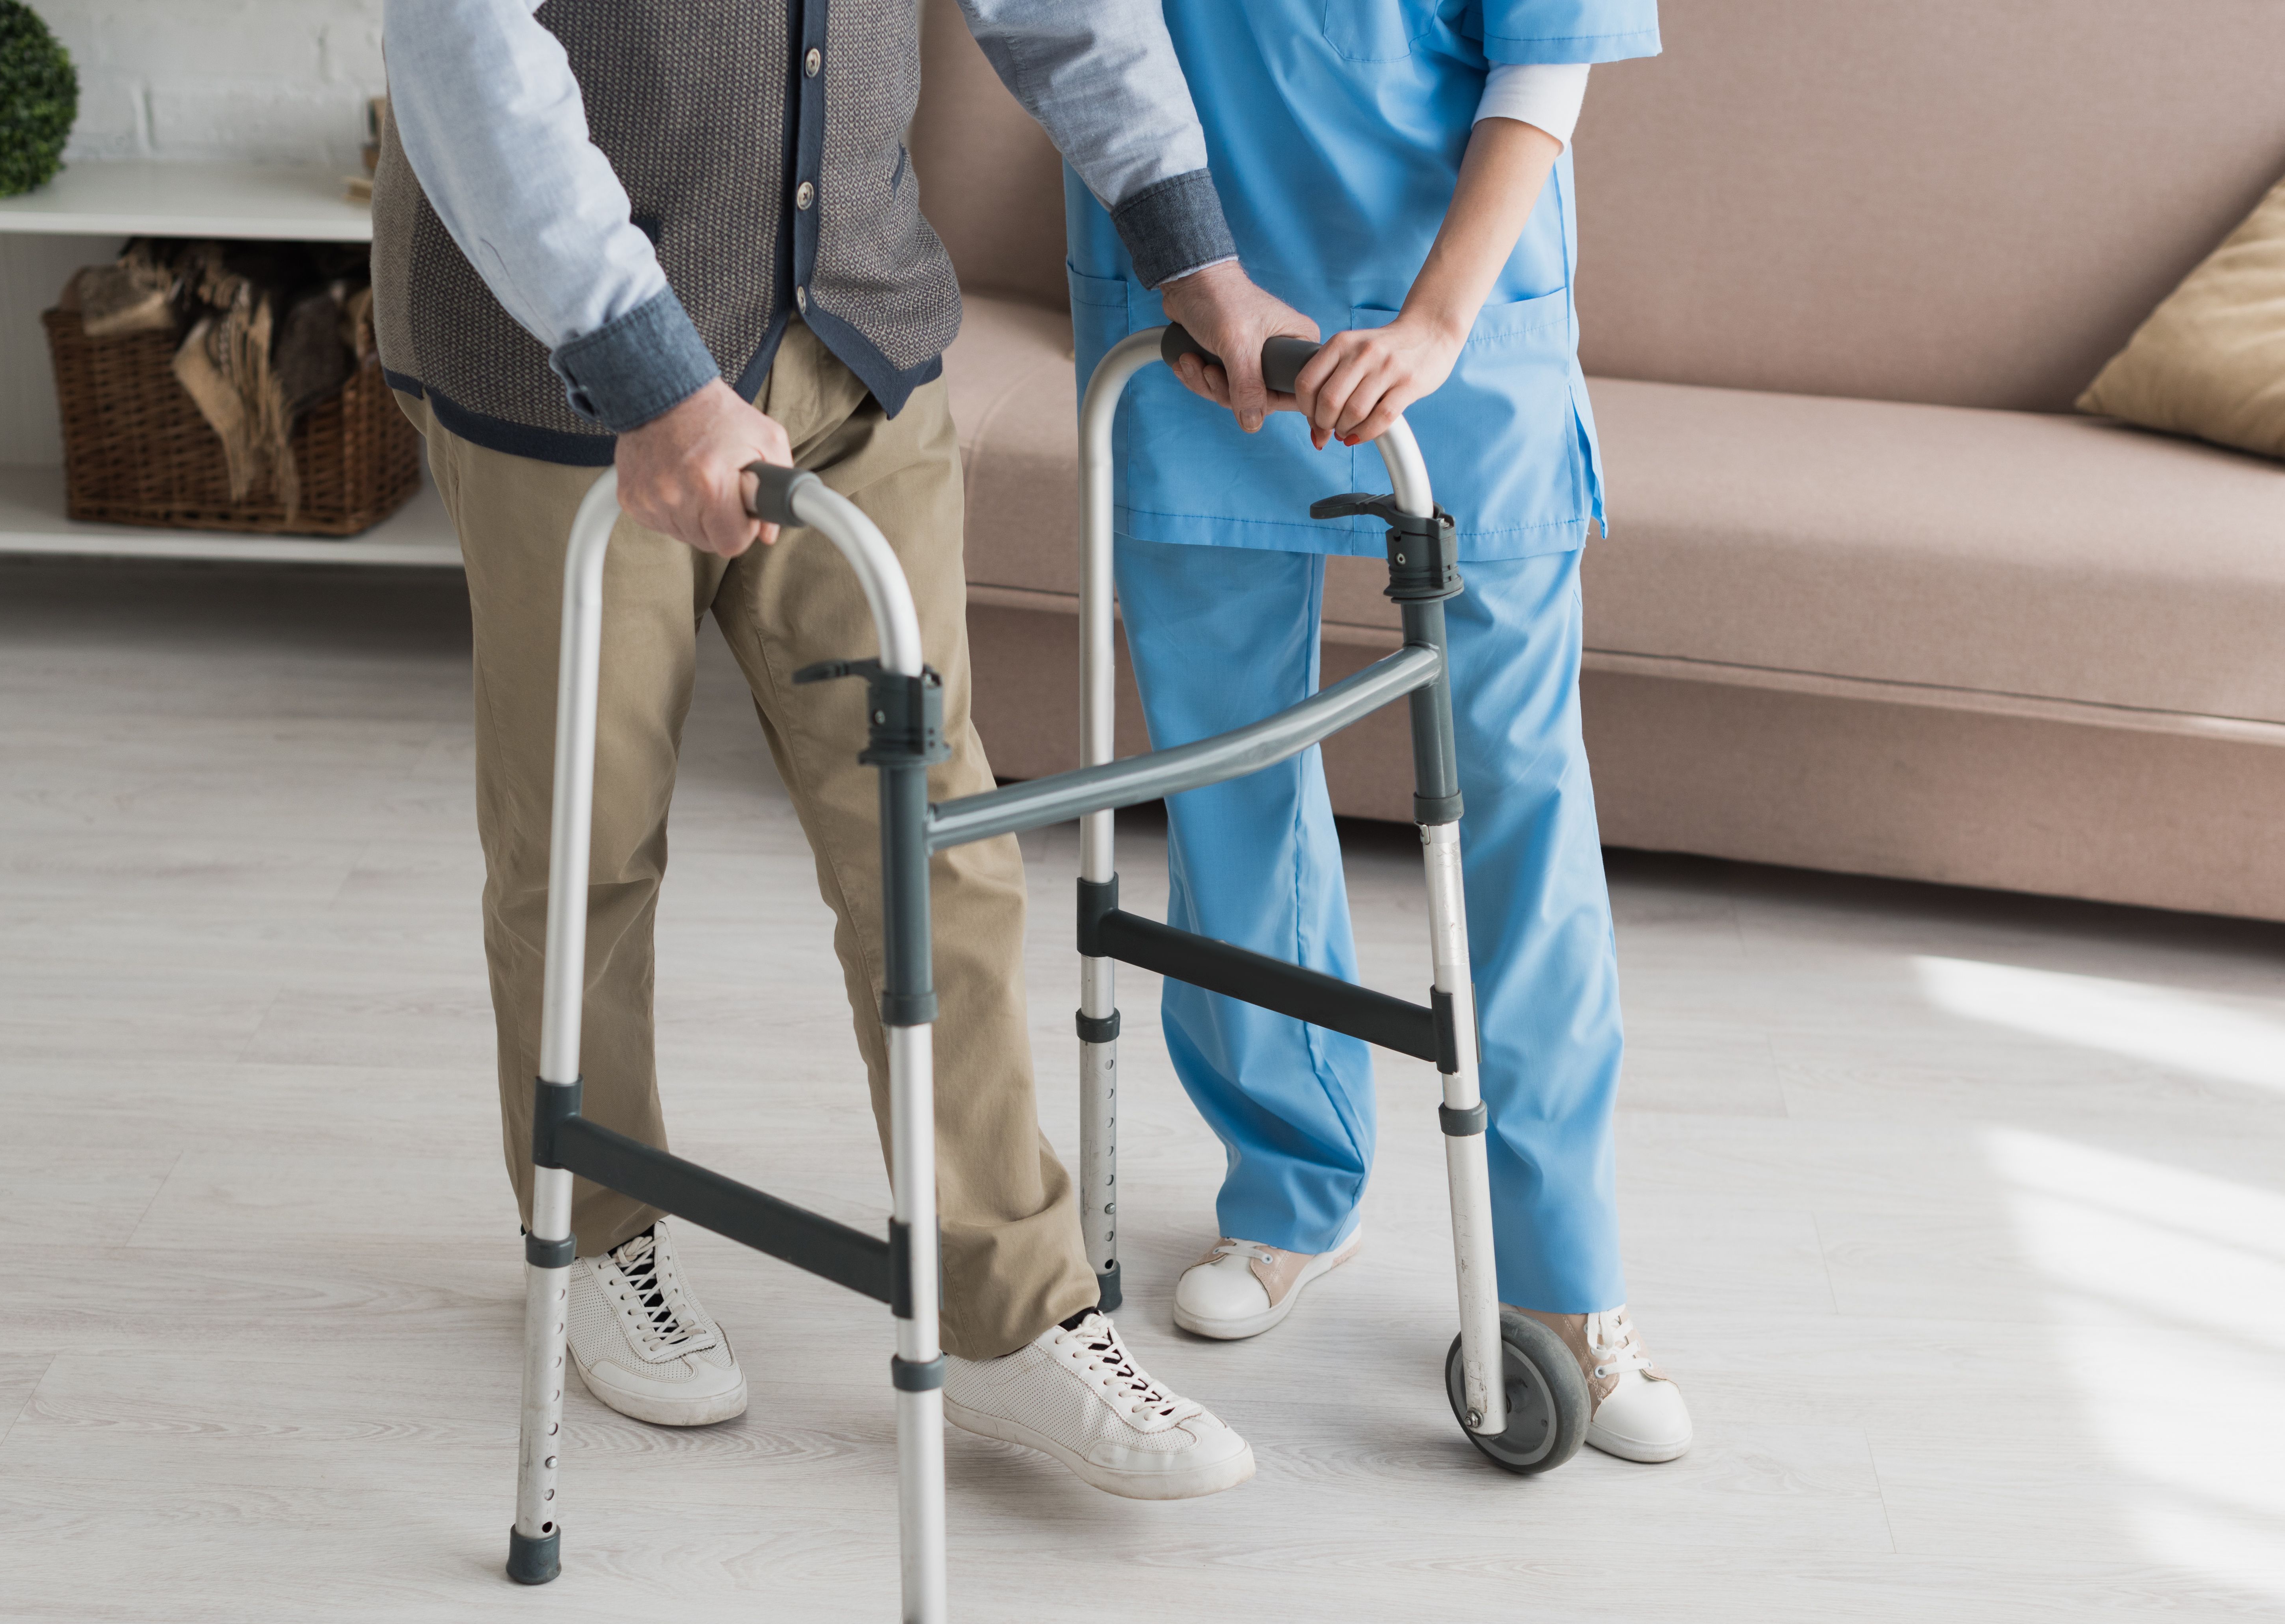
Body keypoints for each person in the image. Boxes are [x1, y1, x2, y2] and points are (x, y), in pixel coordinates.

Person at [376, 0, 1312, 1498]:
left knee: (932, 833)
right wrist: (653, 373)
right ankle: (598, 1228)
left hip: (857, 332)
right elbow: (459, 48)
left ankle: (1015, 1314)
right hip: (572, 359)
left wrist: (1192, 252)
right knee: (584, 844)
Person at [1063, 0, 1694, 1460]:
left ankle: (1559, 1284)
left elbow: (1549, 51)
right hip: (1192, 293)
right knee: (1228, 775)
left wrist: (1436, 321)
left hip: (1453, 306)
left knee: (1518, 799)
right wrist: (1196, 275)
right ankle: (1292, 1188)